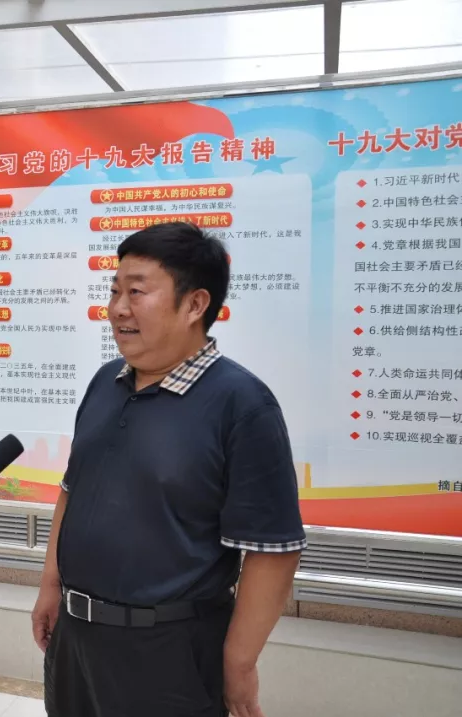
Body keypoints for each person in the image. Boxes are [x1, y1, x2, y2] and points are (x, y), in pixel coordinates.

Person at [32, 222, 306, 717]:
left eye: (136, 292)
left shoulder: (242, 405)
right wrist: (51, 585)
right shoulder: (105, 382)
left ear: (195, 304)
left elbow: (273, 550)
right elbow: (73, 488)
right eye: (114, 291)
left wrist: (239, 663)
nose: (118, 308)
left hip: (170, 655)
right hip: (76, 640)